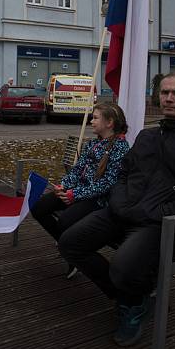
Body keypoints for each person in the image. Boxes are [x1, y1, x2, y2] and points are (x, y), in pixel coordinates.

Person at [58, 73, 175, 347]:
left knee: (123, 267)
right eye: (164, 92)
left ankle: (132, 305)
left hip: (160, 224)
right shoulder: (147, 137)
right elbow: (124, 173)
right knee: (70, 242)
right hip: (123, 212)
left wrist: (155, 212)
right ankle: (135, 299)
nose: (169, 98)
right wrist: (120, 202)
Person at [31, 101, 129, 278]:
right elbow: (77, 170)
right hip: (76, 192)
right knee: (38, 207)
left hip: (97, 200)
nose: (91, 121)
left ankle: (71, 252)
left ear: (109, 123)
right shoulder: (92, 144)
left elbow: (107, 183)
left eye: (96, 118)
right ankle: (66, 249)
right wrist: (64, 185)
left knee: (65, 221)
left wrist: (74, 195)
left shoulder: (120, 148)